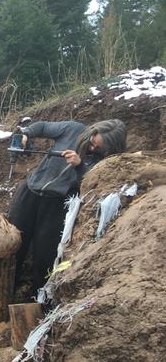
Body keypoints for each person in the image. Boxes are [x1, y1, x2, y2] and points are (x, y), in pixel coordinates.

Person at [8, 119, 127, 298]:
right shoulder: (73, 129)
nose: (93, 149)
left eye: (99, 149)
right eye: (93, 143)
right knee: (13, 243)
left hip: (58, 204)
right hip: (30, 191)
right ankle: (3, 293)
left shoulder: (107, 161)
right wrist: (26, 134)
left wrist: (80, 166)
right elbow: (42, 126)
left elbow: (92, 186)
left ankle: (38, 302)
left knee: (45, 256)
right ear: (92, 131)